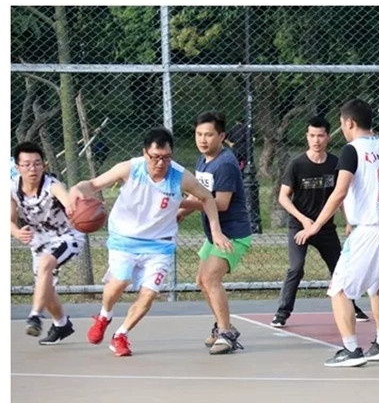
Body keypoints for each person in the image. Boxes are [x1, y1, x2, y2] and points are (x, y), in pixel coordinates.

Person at [69, 126, 233, 357]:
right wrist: (77, 189)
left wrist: (216, 231)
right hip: (124, 238)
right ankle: (104, 315)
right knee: (120, 280)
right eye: (156, 157)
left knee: (149, 294)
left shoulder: (180, 176)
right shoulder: (129, 168)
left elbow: (206, 197)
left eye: (166, 157)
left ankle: (121, 335)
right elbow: (94, 184)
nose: (161, 163)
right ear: (145, 153)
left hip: (159, 245)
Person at [296, 99, 379, 367]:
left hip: (367, 231)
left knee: (339, 290)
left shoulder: (351, 150)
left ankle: (351, 349)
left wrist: (315, 225)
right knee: (378, 288)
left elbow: (339, 192)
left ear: (349, 122)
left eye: (342, 123)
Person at [271, 115, 369, 328]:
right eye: (312, 135)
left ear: (328, 137)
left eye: (321, 136)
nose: (316, 140)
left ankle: (352, 306)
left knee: (339, 268)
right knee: (296, 268)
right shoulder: (296, 164)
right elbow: (283, 197)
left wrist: (348, 221)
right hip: (300, 228)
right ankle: (282, 312)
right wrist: (303, 219)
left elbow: (340, 196)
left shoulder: (335, 163)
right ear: (307, 136)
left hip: (326, 228)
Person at [178, 111, 251, 355]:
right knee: (201, 280)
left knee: (210, 279)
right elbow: (200, 193)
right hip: (214, 233)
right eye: (199, 134)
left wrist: (180, 204)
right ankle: (223, 326)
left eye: (209, 135)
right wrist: (182, 212)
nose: (203, 139)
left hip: (233, 234)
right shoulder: (203, 159)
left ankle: (226, 333)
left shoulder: (226, 164)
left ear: (222, 136)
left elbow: (220, 203)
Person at [10, 141, 84, 344]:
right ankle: (61, 325)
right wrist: (16, 232)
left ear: (44, 165)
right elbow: (8, 220)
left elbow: (66, 199)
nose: (32, 169)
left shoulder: (52, 185)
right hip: (39, 242)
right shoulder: (11, 188)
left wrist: (73, 207)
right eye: (26, 164)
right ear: (17, 167)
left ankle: (35, 316)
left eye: (37, 163)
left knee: (45, 265)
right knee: (46, 289)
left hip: (67, 236)